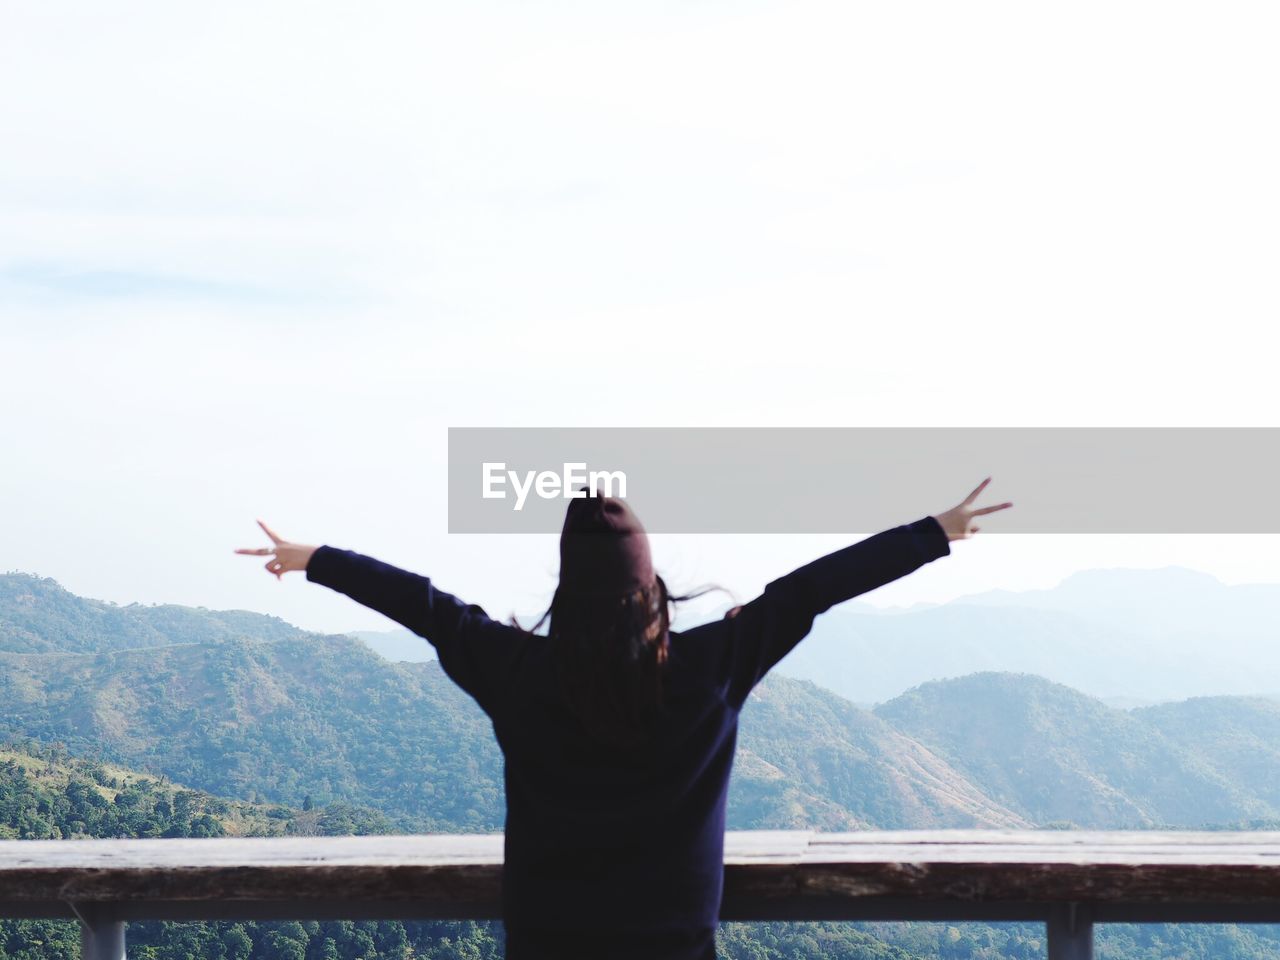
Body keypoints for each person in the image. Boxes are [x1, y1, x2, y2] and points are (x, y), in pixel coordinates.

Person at [237, 478, 1012, 959]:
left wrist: (315, 558)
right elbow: (810, 590)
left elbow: (426, 607)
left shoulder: (516, 671)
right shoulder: (713, 667)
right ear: (654, 590)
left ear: (566, 590)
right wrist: (933, 533)